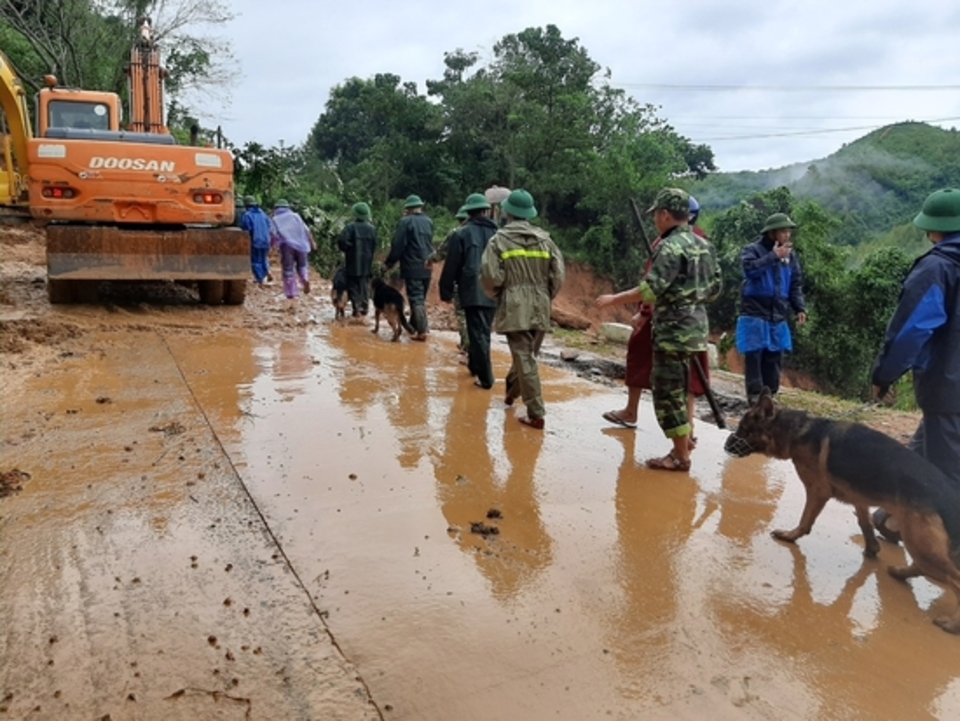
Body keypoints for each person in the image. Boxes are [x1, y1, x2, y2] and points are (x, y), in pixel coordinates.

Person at [598, 188, 720, 470]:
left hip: (672, 331)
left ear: (665, 215)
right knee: (680, 388)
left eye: (656, 214)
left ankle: (680, 455)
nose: (655, 219)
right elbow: (715, 290)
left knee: (668, 393)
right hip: (697, 328)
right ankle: (683, 444)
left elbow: (650, 290)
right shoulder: (704, 245)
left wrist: (614, 299)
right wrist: (690, 296)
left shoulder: (669, 247)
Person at [870, 188, 960, 543]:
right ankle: (892, 519)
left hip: (949, 389)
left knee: (947, 475)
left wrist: (884, 375)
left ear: (933, 230)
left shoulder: (937, 268)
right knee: (919, 455)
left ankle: (950, 557)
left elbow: (911, 331)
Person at [480, 189, 565, 429]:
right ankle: (510, 392)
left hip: (515, 302)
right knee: (527, 354)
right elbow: (558, 275)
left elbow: (489, 275)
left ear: (507, 211)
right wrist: (546, 295)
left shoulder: (498, 240)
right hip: (541, 302)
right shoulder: (545, 240)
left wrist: (500, 295)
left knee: (524, 356)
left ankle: (536, 413)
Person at [736, 212, 807, 405]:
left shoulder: (791, 257)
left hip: (778, 313)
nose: (787, 235)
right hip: (755, 312)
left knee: (774, 357)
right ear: (772, 233)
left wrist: (799, 307)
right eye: (784, 231)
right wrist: (773, 257)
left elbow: (795, 284)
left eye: (789, 232)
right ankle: (755, 396)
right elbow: (749, 270)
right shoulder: (753, 250)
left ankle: (769, 397)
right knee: (755, 354)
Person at [440, 193, 499, 389]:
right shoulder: (498, 233)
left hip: (472, 289)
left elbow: (452, 265)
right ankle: (475, 366)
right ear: (485, 211)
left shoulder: (461, 234)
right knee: (483, 331)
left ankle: (486, 378)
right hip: (494, 289)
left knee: (478, 333)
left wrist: (445, 291)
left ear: (468, 212)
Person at [386, 194, 434, 341]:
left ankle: (422, 331)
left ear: (408, 209)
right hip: (427, 265)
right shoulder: (429, 221)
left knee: (416, 298)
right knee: (420, 297)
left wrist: (390, 262)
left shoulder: (405, 222)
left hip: (412, 266)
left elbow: (398, 244)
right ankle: (413, 326)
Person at [337, 202, 378, 317]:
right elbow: (375, 245)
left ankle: (357, 308)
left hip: (353, 261)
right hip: (367, 263)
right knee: (364, 285)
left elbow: (342, 242)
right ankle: (364, 308)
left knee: (353, 285)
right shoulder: (372, 229)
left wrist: (349, 248)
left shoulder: (350, 227)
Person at [270, 199, 316, 300]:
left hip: (287, 246)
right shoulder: (296, 216)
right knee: (302, 265)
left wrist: (273, 246)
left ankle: (291, 293)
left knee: (288, 269)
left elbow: (273, 234)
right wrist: (312, 242)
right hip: (302, 245)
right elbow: (306, 230)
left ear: (276, 208)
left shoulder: (276, 219)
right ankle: (305, 279)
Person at [240, 195, 274, 286]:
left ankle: (261, 279)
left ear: (246, 206)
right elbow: (269, 226)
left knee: (255, 261)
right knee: (263, 258)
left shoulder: (247, 215)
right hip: (266, 240)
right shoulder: (263, 214)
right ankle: (267, 272)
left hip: (256, 241)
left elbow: (247, 229)